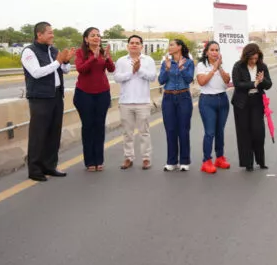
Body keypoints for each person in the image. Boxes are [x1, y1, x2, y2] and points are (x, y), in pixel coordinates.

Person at [21, 22, 75, 182]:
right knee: (39, 134)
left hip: (56, 95)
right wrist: (58, 62)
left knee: (54, 133)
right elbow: (36, 73)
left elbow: (65, 71)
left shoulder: (53, 50)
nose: (52, 35)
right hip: (40, 98)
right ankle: (35, 170)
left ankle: (50, 166)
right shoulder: (29, 51)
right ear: (39, 34)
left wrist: (65, 61)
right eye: (49, 32)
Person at [74, 27, 116, 172]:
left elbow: (111, 69)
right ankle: (89, 161)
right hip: (84, 94)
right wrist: (93, 58)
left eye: (98, 35)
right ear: (86, 39)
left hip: (102, 93)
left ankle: (99, 160)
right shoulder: (80, 53)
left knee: (99, 126)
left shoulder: (104, 52)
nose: (96, 37)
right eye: (93, 35)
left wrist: (107, 58)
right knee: (88, 127)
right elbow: (81, 69)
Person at [114, 35, 158, 170]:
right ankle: (128, 157)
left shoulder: (148, 60)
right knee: (127, 133)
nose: (134, 45)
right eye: (132, 43)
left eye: (137, 43)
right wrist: (131, 72)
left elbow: (152, 77)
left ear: (141, 46)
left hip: (142, 101)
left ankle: (146, 158)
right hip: (125, 102)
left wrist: (139, 69)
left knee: (144, 132)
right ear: (128, 46)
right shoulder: (121, 61)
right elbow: (117, 78)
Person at [232, 43, 273, 171]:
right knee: (244, 133)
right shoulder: (238, 66)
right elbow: (237, 84)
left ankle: (261, 161)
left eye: (256, 58)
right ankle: (247, 163)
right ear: (246, 56)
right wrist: (253, 84)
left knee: (258, 132)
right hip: (241, 103)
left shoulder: (262, 66)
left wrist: (262, 81)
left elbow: (269, 84)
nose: (254, 61)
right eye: (251, 59)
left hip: (257, 101)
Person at [158, 39, 195, 172]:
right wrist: (167, 69)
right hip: (168, 98)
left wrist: (181, 68)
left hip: (183, 97)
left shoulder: (188, 62)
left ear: (179, 47)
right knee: (170, 130)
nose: (169, 47)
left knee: (183, 130)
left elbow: (189, 79)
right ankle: (171, 161)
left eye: (172, 45)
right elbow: (161, 81)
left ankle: (184, 161)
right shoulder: (165, 63)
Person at [195, 41, 232, 174]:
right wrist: (213, 69)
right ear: (206, 52)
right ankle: (206, 161)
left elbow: (227, 80)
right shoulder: (201, 65)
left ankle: (220, 158)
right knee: (210, 132)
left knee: (220, 131)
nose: (215, 52)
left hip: (222, 99)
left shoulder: (222, 64)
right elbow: (202, 82)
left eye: (217, 50)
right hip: (207, 100)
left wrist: (219, 67)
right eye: (212, 50)